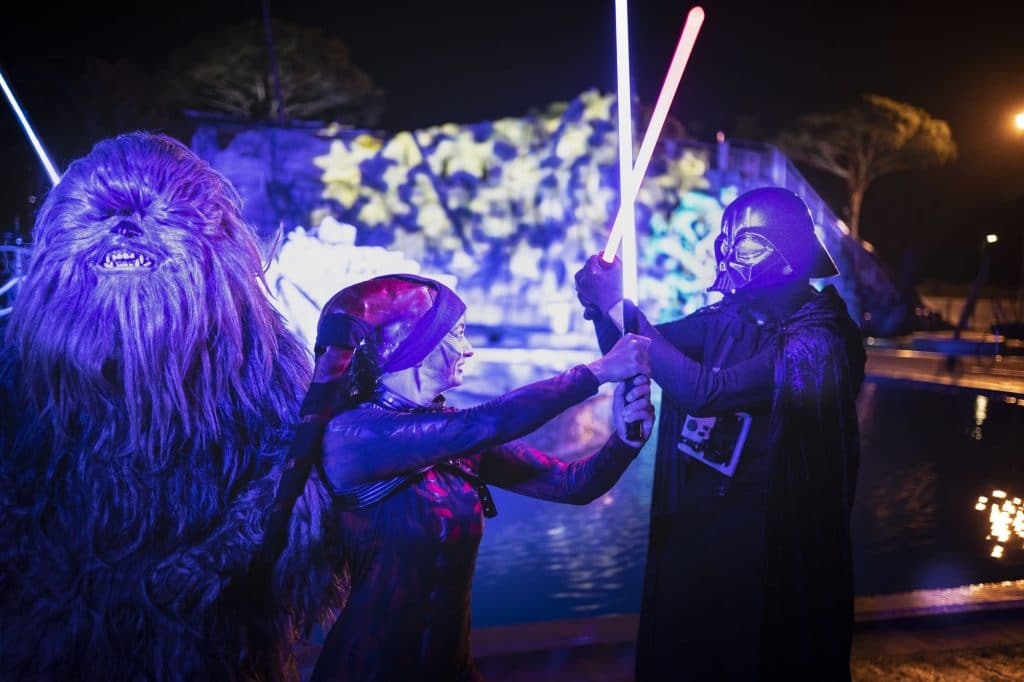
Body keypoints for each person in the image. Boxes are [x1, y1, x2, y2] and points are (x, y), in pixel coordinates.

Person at [0, 132, 312, 680]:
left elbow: (297, 465)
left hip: (206, 630)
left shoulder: (259, 355)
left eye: (150, 214)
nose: (125, 231)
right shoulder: (21, 362)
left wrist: (216, 558)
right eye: (106, 215)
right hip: (51, 620)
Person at [267, 272, 654, 681]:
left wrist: (625, 442)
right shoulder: (351, 437)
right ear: (412, 342)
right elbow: (487, 424)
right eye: (457, 334)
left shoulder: (447, 433)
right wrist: (597, 372)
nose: (469, 349)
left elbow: (572, 485)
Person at [575, 186, 866, 680]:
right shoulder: (728, 318)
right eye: (725, 243)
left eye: (747, 245)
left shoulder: (821, 340)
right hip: (696, 535)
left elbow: (708, 392)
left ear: (789, 253)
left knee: (754, 660)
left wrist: (618, 304)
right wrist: (604, 308)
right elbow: (641, 347)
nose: (731, 259)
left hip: (767, 549)